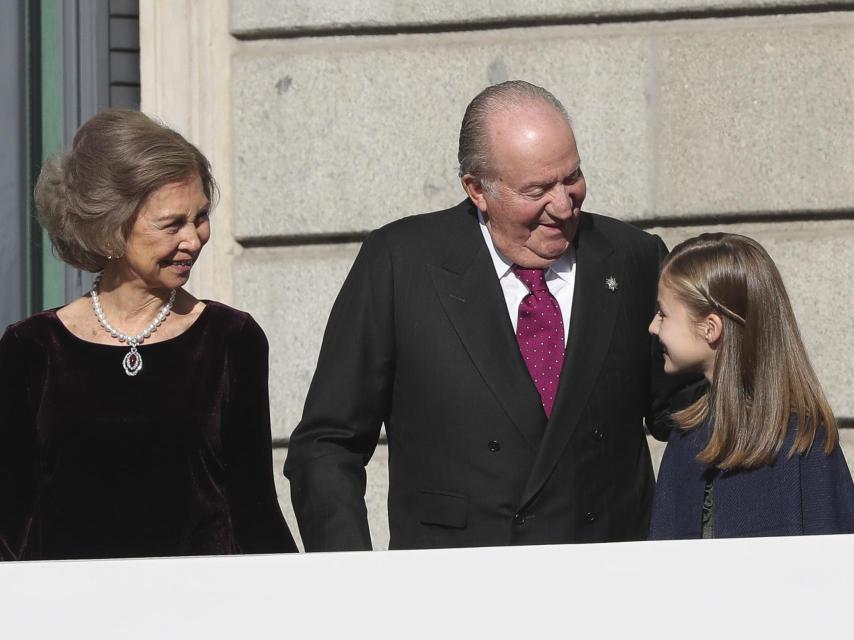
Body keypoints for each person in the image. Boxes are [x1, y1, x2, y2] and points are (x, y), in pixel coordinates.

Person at [284, 80, 689, 551]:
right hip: (453, 583)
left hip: (603, 577)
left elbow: (689, 417)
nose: (563, 206)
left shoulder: (634, 259)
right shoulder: (402, 264)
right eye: (537, 189)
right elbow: (328, 444)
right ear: (477, 189)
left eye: (572, 177)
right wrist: (353, 581)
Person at [0, 108, 297, 560]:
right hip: (67, 616)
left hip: (203, 612)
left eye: (199, 217)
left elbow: (253, 506)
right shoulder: (31, 348)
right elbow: (10, 517)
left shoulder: (231, 338)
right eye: (171, 224)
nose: (194, 239)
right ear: (109, 230)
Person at [648, 233, 854, 539]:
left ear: (710, 328)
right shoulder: (686, 440)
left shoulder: (805, 443)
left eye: (664, 314)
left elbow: (836, 570)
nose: (653, 326)